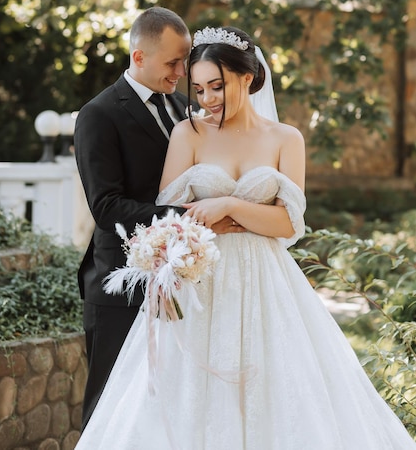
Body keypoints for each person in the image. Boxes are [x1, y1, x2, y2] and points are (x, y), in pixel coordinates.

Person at [75, 25, 416, 449]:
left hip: (266, 283)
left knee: (276, 390)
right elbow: (169, 219)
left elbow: (289, 225)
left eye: (216, 86)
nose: (207, 100)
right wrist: (202, 235)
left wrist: (231, 206)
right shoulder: (189, 132)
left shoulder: (286, 139)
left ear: (248, 77)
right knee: (188, 395)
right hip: (201, 284)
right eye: (198, 90)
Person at [74, 6, 193, 429]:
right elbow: (106, 206)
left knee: (164, 408)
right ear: (139, 57)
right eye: (173, 62)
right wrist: (186, 218)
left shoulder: (183, 107)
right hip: (119, 282)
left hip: (181, 281)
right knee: (110, 407)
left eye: (185, 60)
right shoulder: (99, 114)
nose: (182, 71)